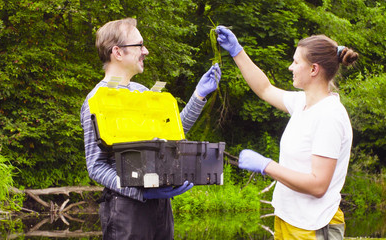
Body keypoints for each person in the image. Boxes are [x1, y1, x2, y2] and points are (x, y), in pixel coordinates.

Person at [80, 18, 221, 240]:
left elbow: (173, 132)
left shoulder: (142, 91)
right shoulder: (95, 101)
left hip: (160, 206)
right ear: (118, 52)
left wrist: (199, 95)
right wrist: (140, 191)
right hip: (126, 208)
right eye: (139, 45)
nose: (145, 51)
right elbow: (96, 166)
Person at [216, 26, 358, 239]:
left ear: (313, 69)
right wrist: (237, 52)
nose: (290, 67)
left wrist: (267, 166)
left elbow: (318, 185)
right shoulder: (303, 102)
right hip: (288, 219)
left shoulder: (330, 116)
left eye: (296, 62)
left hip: (314, 225)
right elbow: (264, 89)